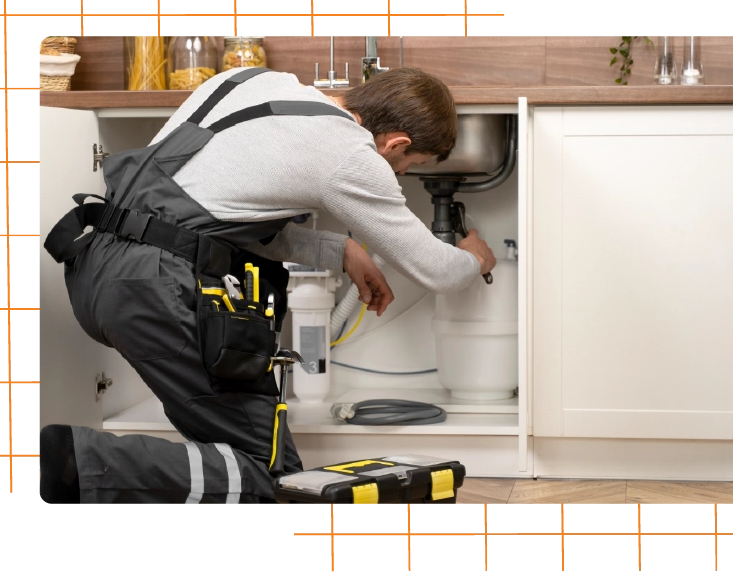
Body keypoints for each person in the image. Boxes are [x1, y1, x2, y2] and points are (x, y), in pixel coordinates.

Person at [39, 66, 497, 509]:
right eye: (405, 165)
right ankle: (77, 463)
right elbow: (437, 270)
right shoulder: (350, 153)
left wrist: (339, 250)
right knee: (272, 480)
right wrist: (475, 257)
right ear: (396, 142)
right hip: (158, 289)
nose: (396, 175)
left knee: (242, 459)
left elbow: (211, 212)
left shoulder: (254, 80)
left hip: (97, 266)